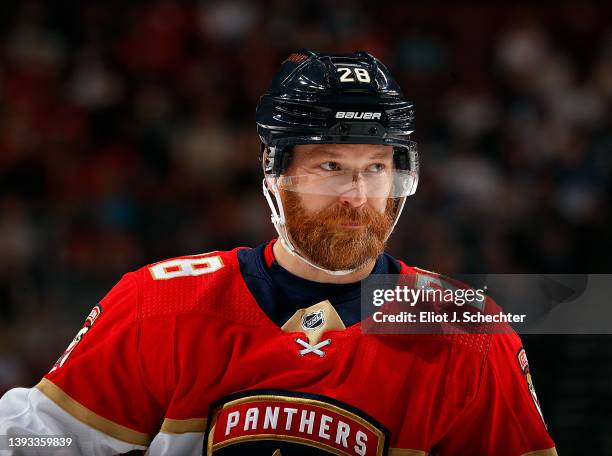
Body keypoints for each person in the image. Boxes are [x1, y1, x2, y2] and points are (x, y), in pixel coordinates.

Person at [0, 50, 556, 455]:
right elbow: (36, 441)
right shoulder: (160, 303)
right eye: (330, 166)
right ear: (275, 171)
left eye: (376, 168)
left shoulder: (466, 331)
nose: (357, 197)